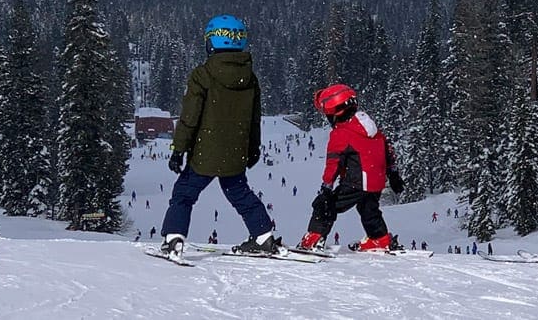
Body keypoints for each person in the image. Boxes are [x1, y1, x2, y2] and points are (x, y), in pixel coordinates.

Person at [158, 15, 278, 261]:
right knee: (239, 192)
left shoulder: (203, 75)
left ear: (211, 42)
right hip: (235, 153)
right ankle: (263, 235)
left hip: (205, 152)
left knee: (184, 194)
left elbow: (190, 116)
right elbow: (254, 119)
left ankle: (174, 238)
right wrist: (253, 149)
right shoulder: (250, 78)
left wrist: (178, 149)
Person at [296, 84, 405, 253]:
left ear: (334, 112)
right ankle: (379, 239)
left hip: (357, 182)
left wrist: (326, 187)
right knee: (368, 208)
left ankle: (314, 239)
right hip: (376, 182)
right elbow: (387, 151)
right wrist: (393, 175)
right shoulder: (372, 129)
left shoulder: (341, 133)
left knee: (325, 205)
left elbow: (334, 162)